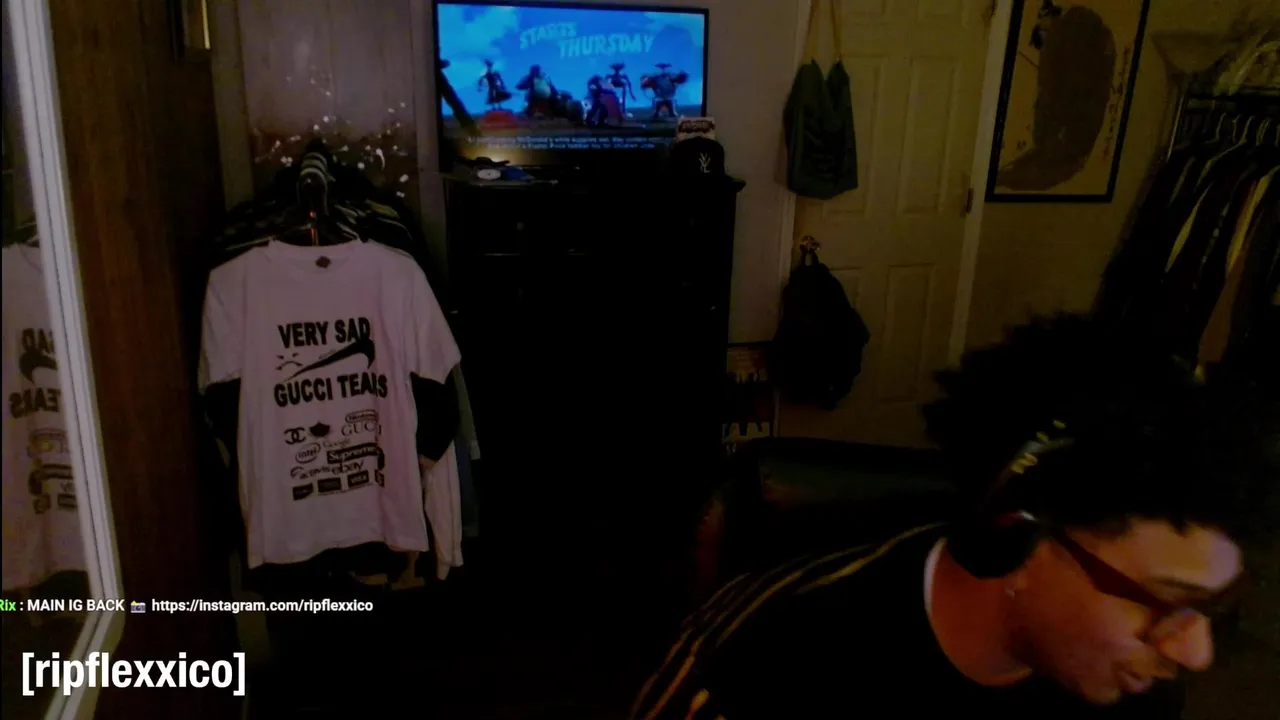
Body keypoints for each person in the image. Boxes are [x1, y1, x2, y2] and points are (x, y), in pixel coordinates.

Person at [630, 314, 1276, 720]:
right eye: (1165, 601)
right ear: (1015, 537)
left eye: (1213, 606)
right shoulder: (762, 663)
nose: (1196, 652)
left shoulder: (1135, 684)